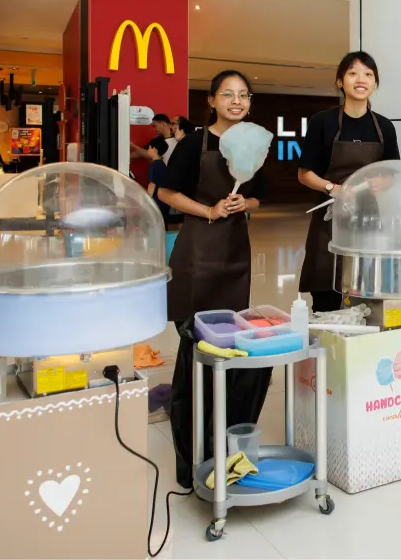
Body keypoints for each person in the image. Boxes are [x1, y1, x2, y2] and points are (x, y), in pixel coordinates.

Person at [156, 70, 269, 488]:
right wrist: (209, 210)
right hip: (197, 256)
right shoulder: (194, 143)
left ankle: (225, 447)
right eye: (228, 94)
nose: (236, 101)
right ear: (212, 100)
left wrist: (243, 203)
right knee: (194, 358)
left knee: (230, 350)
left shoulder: (253, 144)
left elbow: (261, 196)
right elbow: (165, 192)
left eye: (243, 95)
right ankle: (190, 459)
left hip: (235, 255)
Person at [298, 51, 400, 312]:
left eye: (368, 74)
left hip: (369, 220)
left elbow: (392, 172)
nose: (361, 79)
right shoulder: (322, 122)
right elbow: (304, 173)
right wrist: (333, 188)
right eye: (353, 73)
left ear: (375, 83)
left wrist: (384, 183)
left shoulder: (384, 127)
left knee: (368, 296)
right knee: (326, 295)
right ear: (340, 82)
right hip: (329, 220)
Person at [145, 138, 170, 222]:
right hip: (164, 201)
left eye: (149, 148)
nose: (147, 150)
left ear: (154, 150)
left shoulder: (154, 165)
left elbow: (152, 184)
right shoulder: (162, 164)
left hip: (156, 202)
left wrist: (147, 201)